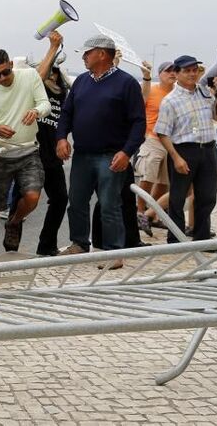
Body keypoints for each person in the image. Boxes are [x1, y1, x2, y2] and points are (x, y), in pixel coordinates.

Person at [55, 35, 145, 264]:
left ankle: (114, 252)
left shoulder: (127, 83)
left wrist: (127, 152)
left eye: (87, 52)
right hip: (83, 154)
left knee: (109, 204)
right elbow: (66, 113)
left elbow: (138, 122)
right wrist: (61, 138)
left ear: (102, 54)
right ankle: (79, 244)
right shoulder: (82, 82)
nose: (84, 57)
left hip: (111, 155)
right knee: (76, 202)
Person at [0, 48, 51, 252]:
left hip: (28, 150)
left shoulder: (29, 76)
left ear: (11, 64)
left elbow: (45, 104)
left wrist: (36, 111)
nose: (1, 78)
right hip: (0, 154)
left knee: (33, 196)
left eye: (5, 72)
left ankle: (14, 221)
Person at [155, 55, 217, 243]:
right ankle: (175, 240)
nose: (192, 74)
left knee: (207, 197)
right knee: (177, 199)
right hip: (183, 150)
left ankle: (201, 238)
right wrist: (176, 157)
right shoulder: (170, 101)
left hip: (208, 150)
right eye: (187, 71)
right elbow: (162, 133)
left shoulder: (205, 93)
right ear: (177, 74)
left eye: (195, 70)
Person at [31, 31, 71, 256]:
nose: (53, 77)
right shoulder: (38, 89)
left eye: (57, 73)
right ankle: (12, 236)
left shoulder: (64, 93)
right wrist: (52, 48)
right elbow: (38, 77)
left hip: (53, 156)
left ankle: (46, 245)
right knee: (25, 198)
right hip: (33, 153)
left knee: (59, 199)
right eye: (51, 72)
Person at [135, 61, 177, 231]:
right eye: (168, 71)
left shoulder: (177, 93)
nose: (172, 74)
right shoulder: (152, 90)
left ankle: (152, 214)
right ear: (160, 74)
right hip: (151, 138)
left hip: (171, 141)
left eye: (175, 71)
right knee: (147, 177)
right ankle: (138, 212)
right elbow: (139, 105)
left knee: (164, 183)